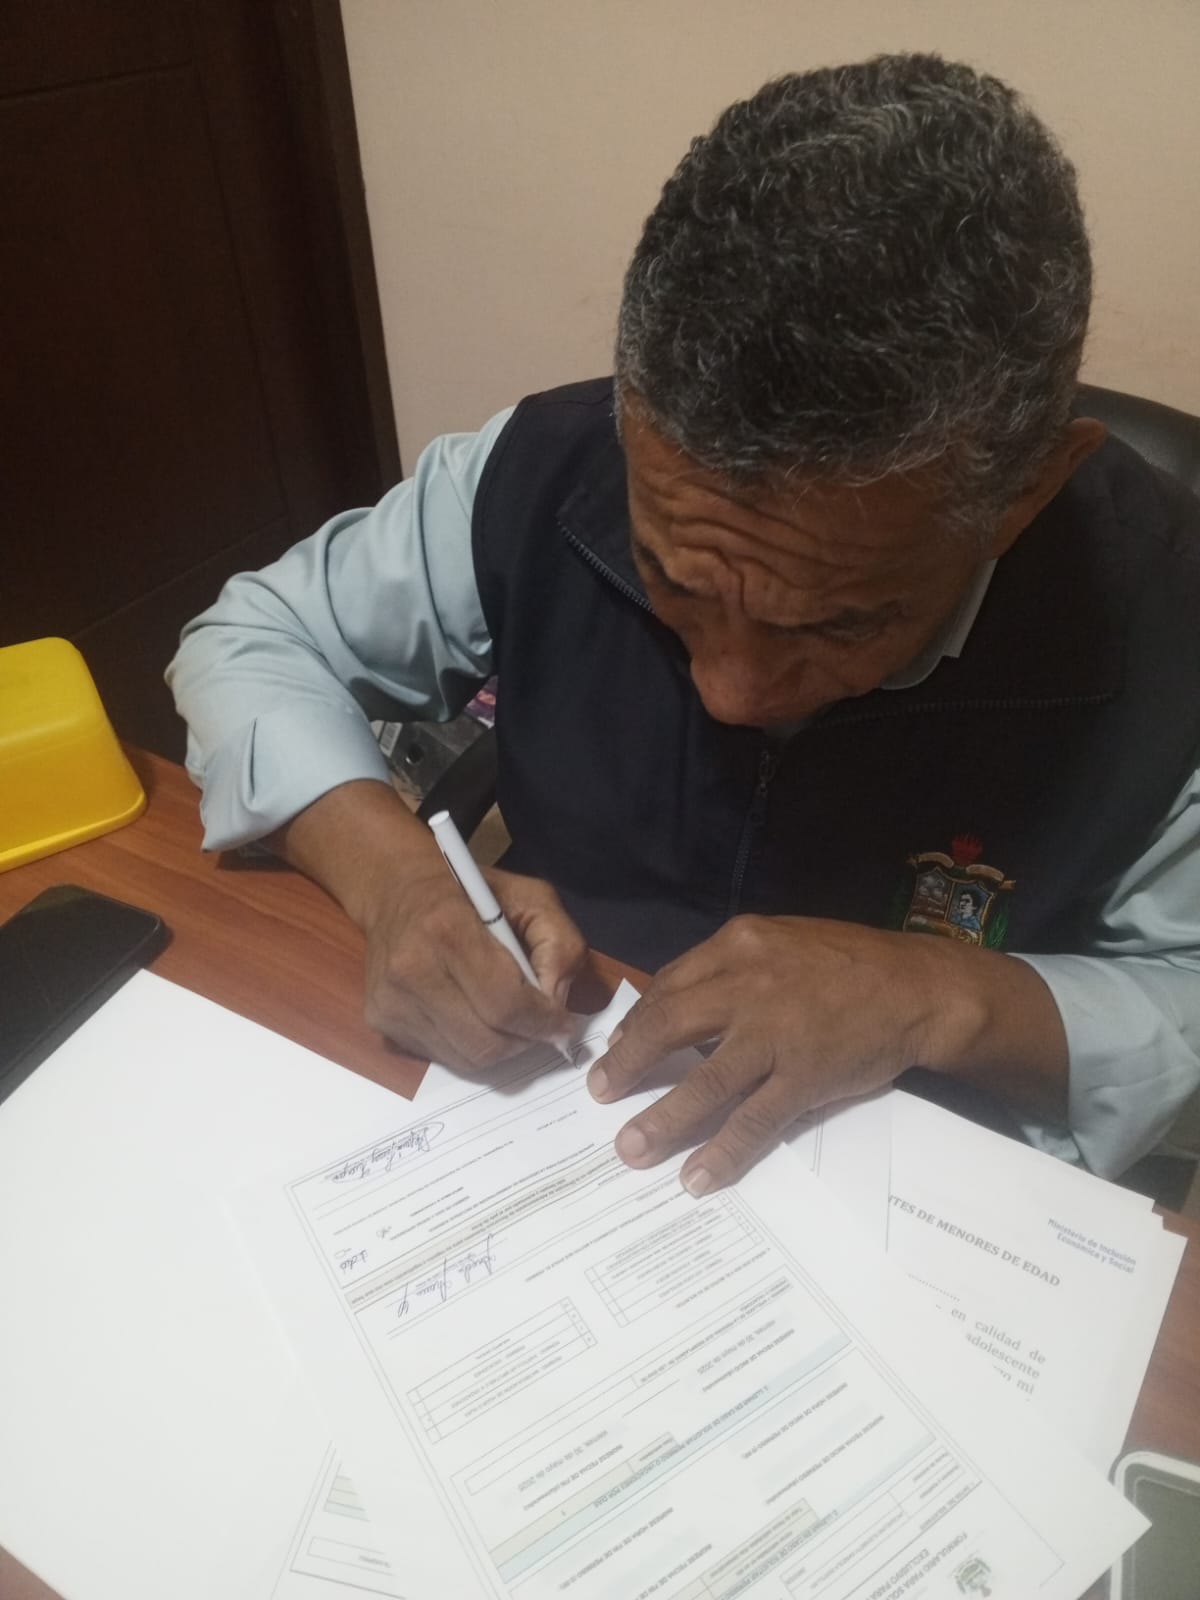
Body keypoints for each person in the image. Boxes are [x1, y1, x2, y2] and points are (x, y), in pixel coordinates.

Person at [168, 53, 1200, 1199]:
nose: (732, 691)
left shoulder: (1168, 618)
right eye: (674, 579)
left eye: (839, 623)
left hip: (928, 1170)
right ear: (634, 416)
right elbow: (249, 639)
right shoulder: (548, 469)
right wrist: (393, 875)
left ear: (1028, 492)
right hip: (559, 1084)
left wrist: (942, 997)